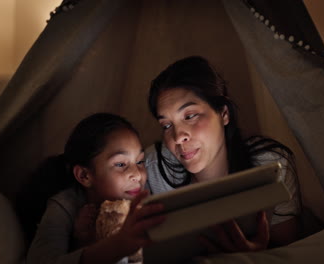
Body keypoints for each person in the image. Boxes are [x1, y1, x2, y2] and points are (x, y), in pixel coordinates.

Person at [145, 56, 301, 252]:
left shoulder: (271, 164)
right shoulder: (152, 169)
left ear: (224, 114)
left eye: (190, 116)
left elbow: (290, 248)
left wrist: (255, 255)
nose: (177, 137)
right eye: (167, 125)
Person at [26, 113, 165, 264]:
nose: (137, 175)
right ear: (84, 176)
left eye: (140, 161)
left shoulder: (146, 197)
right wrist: (85, 242)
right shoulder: (65, 206)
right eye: (120, 164)